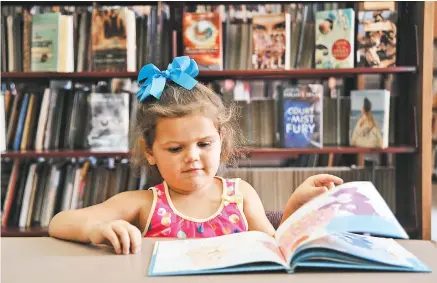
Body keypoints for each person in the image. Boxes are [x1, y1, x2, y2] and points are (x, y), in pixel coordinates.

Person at [48, 56, 343, 255]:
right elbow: (59, 222)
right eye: (176, 149)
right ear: (149, 151)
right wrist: (96, 228)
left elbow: (275, 248)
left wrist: (295, 205)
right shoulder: (143, 204)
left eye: (203, 144)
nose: (192, 156)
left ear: (221, 140)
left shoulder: (240, 196)